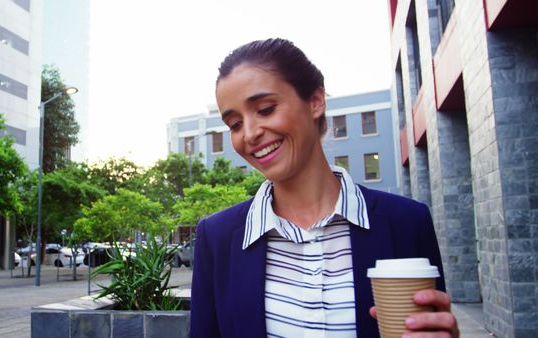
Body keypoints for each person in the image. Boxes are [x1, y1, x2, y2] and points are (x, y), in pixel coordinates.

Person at [190, 38, 460, 338]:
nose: (250, 134)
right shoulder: (217, 237)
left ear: (316, 101)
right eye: (235, 124)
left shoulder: (407, 223)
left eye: (265, 109)